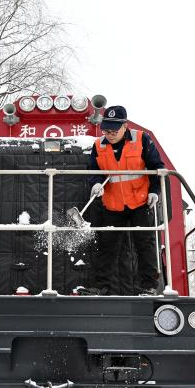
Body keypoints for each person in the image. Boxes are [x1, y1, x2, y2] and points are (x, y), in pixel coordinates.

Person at [82, 105, 165, 295]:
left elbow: (157, 167)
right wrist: (95, 184)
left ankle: (149, 286)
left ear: (125, 126)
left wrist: (154, 191)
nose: (109, 134)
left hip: (140, 201)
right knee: (107, 246)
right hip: (113, 204)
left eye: (113, 130)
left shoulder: (142, 139)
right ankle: (102, 286)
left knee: (145, 244)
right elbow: (93, 171)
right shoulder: (98, 145)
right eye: (106, 130)